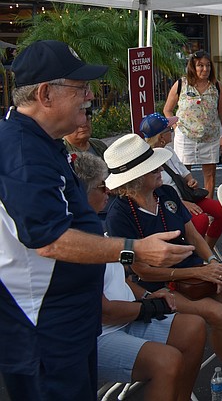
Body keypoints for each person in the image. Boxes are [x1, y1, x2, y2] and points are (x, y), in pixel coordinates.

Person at [0, 40, 192, 401]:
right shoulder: (22, 152)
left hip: (70, 319)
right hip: (45, 326)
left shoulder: (41, 141)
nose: (89, 95)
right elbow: (50, 240)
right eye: (79, 87)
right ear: (45, 94)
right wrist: (134, 250)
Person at [103, 133, 222, 401]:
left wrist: (213, 261)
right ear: (134, 179)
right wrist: (199, 271)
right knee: (219, 314)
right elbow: (142, 272)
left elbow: (192, 234)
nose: (159, 169)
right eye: (151, 167)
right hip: (158, 286)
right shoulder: (118, 215)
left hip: (194, 274)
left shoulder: (165, 193)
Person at [73, 153, 205, 401]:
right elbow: (105, 311)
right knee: (166, 362)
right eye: (102, 186)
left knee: (194, 326)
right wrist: (149, 306)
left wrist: (146, 294)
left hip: (126, 315)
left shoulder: (94, 226)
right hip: (98, 334)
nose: (108, 191)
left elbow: (120, 274)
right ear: (81, 195)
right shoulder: (75, 240)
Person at [140, 112, 222, 250]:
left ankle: (206, 251)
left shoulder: (169, 150)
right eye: (169, 129)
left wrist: (190, 180)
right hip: (170, 203)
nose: (173, 131)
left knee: (221, 211)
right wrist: (181, 203)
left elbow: (182, 170)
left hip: (185, 196)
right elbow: (155, 193)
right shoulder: (148, 161)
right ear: (161, 137)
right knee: (201, 220)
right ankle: (192, 256)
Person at [164, 49, 222, 195]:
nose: (204, 69)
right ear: (193, 67)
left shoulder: (216, 86)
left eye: (208, 65)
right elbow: (167, 110)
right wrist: (176, 127)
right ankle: (187, 204)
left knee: (210, 174)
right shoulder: (181, 84)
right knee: (183, 173)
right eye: (200, 65)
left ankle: (209, 207)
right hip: (185, 136)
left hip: (210, 137)